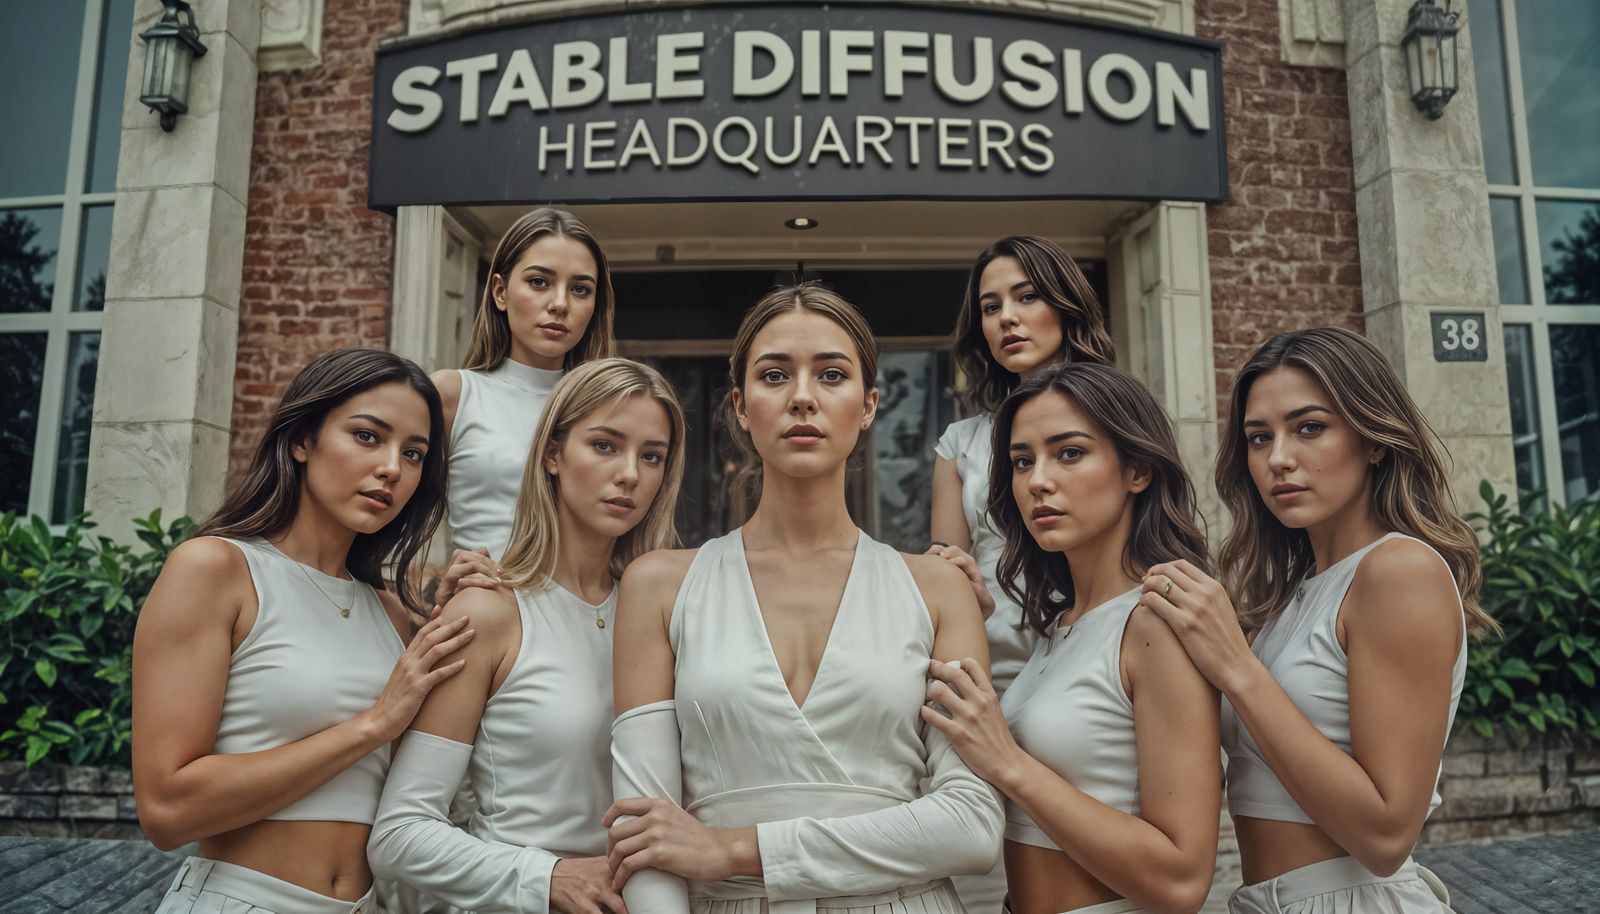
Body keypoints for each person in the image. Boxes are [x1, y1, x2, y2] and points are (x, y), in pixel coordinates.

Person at [605, 283, 1004, 914]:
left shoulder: (937, 589)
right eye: (773, 375)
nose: (802, 398)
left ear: (869, 404)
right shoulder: (659, 584)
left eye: (831, 375)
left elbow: (974, 825)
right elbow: (644, 834)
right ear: (740, 404)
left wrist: (735, 850)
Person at [1137, 328, 1495, 914]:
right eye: (1259, 437)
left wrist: (1234, 666)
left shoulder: (1397, 570)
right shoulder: (1292, 597)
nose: (1278, 459)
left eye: (1309, 428)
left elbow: (1384, 836)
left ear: (1373, 439)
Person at [134, 348, 473, 914]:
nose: (393, 467)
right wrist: (374, 725)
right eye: (368, 437)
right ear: (302, 440)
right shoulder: (217, 570)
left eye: (414, 453)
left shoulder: (392, 613)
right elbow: (167, 810)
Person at [368, 358, 686, 914]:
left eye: (652, 455)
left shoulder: (674, 616)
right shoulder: (488, 614)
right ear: (553, 455)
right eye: (606, 446)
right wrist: (549, 876)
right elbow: (400, 834)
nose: (631, 474)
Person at [925, 361, 1221, 914]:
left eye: (1069, 453)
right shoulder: (1060, 626)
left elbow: (1182, 880)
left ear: (1138, 470)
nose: (1038, 480)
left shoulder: (1157, 622)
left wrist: (1007, 760)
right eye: (1021, 461)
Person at [929, 236, 1117, 914]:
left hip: (1090, 666)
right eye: (989, 305)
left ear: (1066, 306)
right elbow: (945, 566)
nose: (1006, 317)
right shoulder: (963, 441)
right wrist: (961, 590)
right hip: (995, 668)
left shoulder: (1117, 417)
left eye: (1026, 296)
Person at [432, 207, 617, 598]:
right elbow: (381, 530)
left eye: (580, 289)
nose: (560, 303)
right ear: (500, 292)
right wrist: (431, 586)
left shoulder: (612, 408)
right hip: (483, 620)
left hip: (588, 620)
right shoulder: (453, 395)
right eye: (539, 282)